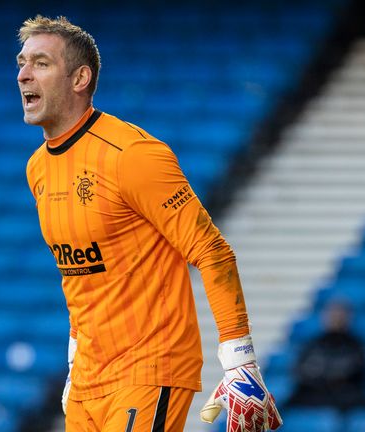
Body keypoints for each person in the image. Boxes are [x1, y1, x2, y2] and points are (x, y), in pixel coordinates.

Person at [17, 16, 282, 431]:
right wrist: (74, 365)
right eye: (21, 62)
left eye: (41, 63)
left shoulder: (133, 155)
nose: (23, 74)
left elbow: (212, 251)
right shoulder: (37, 169)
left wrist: (239, 360)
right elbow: (81, 277)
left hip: (149, 367)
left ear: (79, 78)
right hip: (88, 380)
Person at [286, 299, 365, 412]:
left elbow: (352, 370)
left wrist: (321, 373)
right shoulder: (313, 343)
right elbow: (301, 370)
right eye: (332, 315)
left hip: (343, 395)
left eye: (340, 315)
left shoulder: (356, 345)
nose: (336, 319)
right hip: (313, 393)